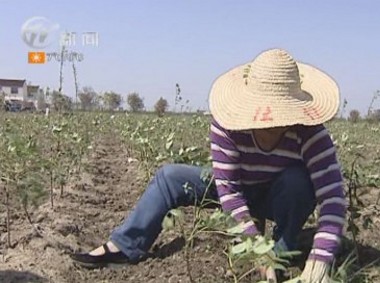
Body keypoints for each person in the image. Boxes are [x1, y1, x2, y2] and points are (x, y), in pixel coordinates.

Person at [70, 48, 346, 282]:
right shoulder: (228, 124)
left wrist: (321, 258)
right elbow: (229, 191)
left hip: (278, 196)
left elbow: (333, 197)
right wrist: (252, 243)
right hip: (236, 189)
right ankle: (125, 244)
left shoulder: (310, 133)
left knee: (298, 181)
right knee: (170, 177)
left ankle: (281, 255)